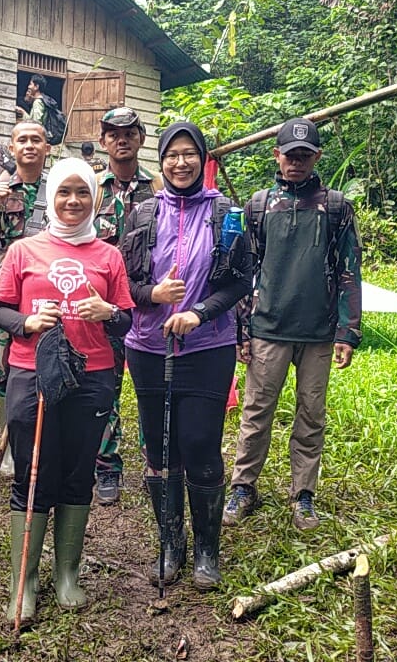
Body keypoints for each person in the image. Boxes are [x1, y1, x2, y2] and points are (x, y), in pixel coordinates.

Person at [0, 157, 135, 624]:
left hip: (93, 374)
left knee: (77, 471)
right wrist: (28, 322)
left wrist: (107, 312)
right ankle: (24, 581)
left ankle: (67, 574)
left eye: (82, 192)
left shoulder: (109, 255)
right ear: (50, 196)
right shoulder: (23, 250)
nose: (73, 201)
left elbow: (127, 318)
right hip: (32, 371)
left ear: (94, 197)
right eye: (64, 192)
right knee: (34, 471)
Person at [120, 123, 253, 590]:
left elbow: (241, 281)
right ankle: (171, 543)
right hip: (149, 347)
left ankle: (206, 551)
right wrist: (152, 294)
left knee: (199, 444)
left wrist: (199, 312)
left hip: (207, 346)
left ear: (202, 158)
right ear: (161, 160)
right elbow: (122, 284)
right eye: (172, 154)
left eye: (189, 154)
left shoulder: (225, 213)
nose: (180, 163)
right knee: (159, 449)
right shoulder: (140, 214)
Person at [223, 117, 362, 530]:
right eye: (290, 155)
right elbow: (244, 270)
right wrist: (241, 329)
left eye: (304, 155)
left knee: (311, 414)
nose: (296, 163)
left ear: (317, 157)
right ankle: (243, 486)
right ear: (277, 156)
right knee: (256, 413)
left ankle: (304, 493)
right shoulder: (259, 205)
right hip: (267, 326)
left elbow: (349, 270)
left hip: (318, 332)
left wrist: (347, 330)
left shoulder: (335, 206)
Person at [0, 120, 50, 479]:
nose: (30, 146)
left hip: (49, 293)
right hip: (10, 296)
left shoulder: (60, 189)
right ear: (12, 148)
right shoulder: (1, 190)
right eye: (23, 140)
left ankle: (45, 441)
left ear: (47, 148)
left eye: (37, 140)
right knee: (4, 370)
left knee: (52, 362)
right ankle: (9, 443)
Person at [91, 106, 157, 505]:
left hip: (149, 306)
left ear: (141, 137)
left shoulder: (160, 188)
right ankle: (107, 468)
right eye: (113, 133)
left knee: (151, 387)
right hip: (107, 306)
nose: (121, 139)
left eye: (129, 132)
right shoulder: (93, 188)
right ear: (103, 141)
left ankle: (155, 464)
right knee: (105, 387)